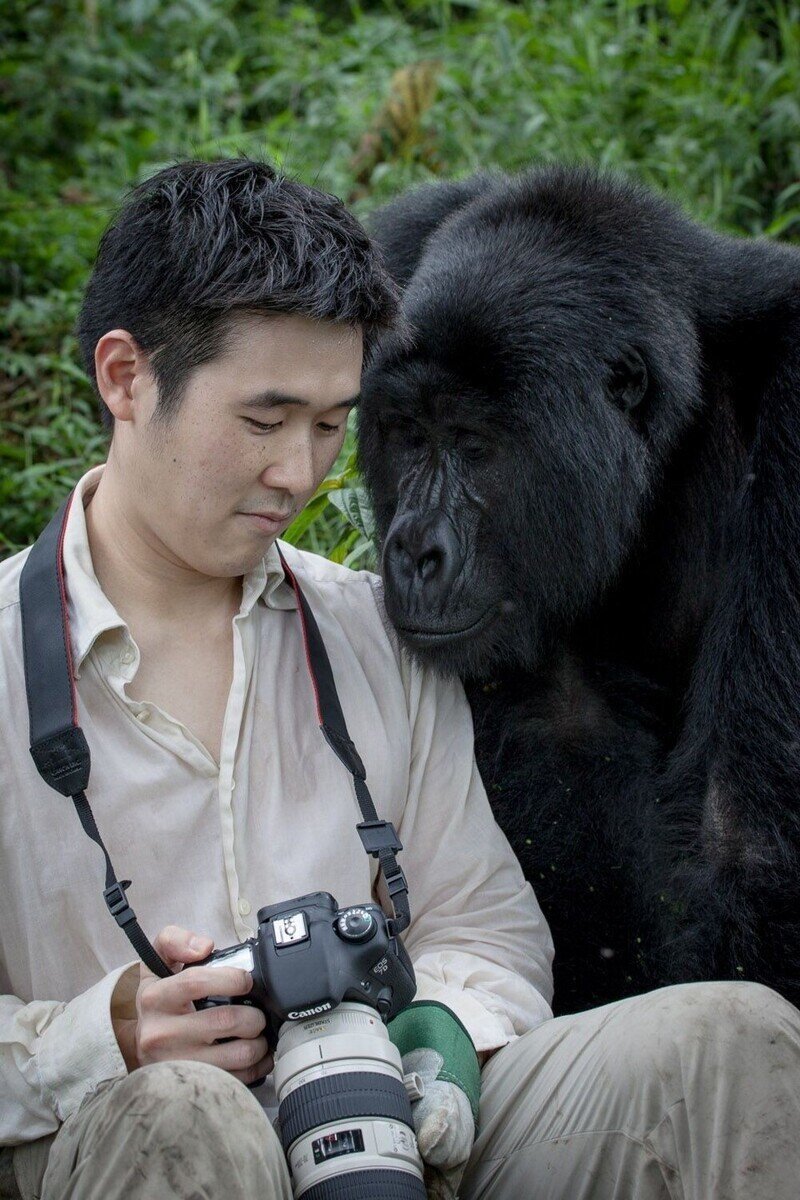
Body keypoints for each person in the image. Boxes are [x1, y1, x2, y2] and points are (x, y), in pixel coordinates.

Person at [0, 159, 798, 1200]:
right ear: (125, 379)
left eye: (333, 427)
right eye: (261, 420)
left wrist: (436, 1037)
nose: (300, 477)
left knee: (735, 1034)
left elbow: (491, 925)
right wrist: (97, 1035)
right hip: (115, 1136)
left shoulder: (365, 631)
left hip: (394, 1115)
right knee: (181, 1115)